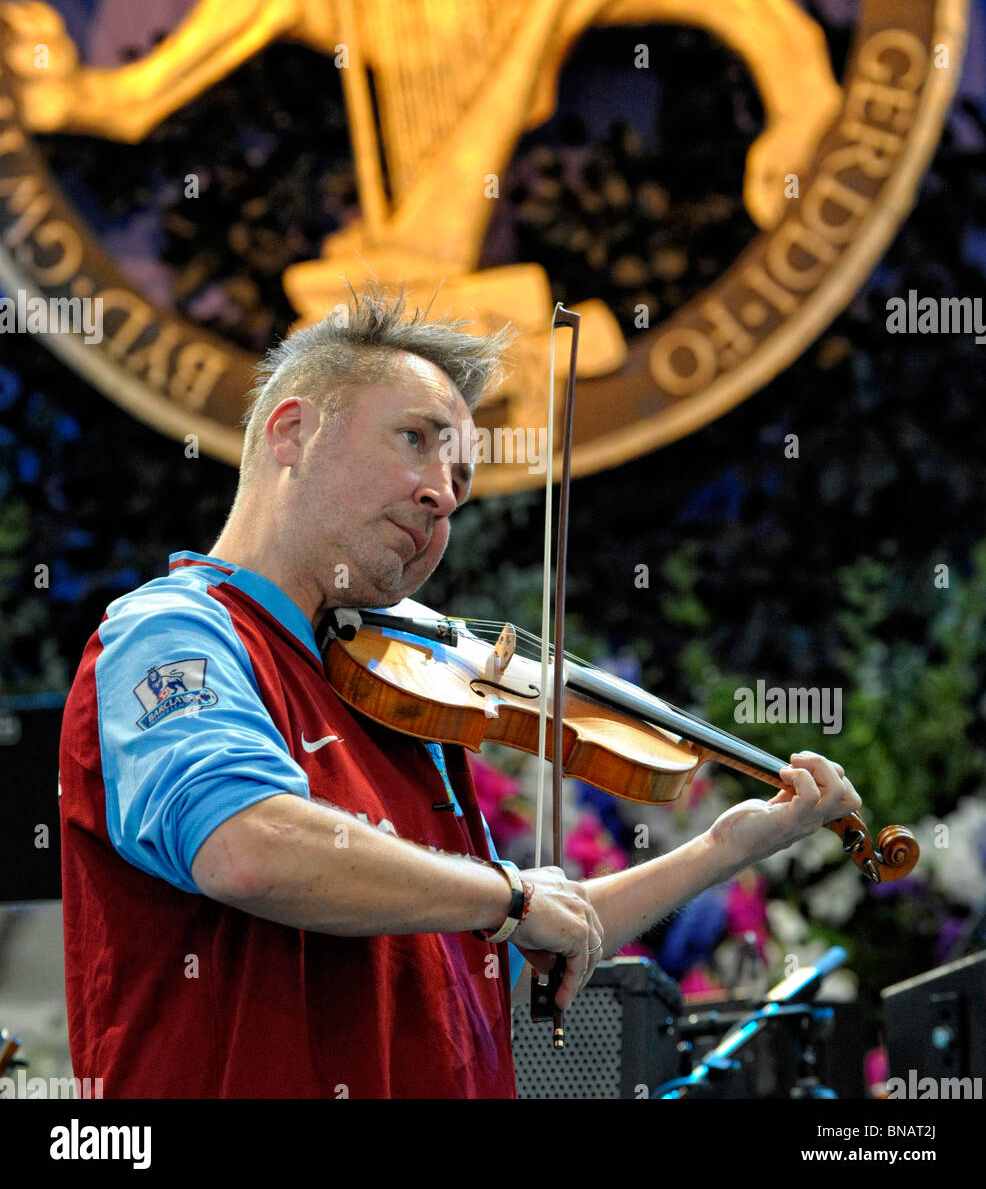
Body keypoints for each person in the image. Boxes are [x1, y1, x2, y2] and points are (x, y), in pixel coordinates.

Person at [59, 289, 862, 1098]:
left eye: (461, 479)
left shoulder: (400, 690)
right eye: (416, 440)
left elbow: (492, 955)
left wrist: (724, 851)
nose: (443, 493)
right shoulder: (174, 633)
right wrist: (509, 897)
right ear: (292, 433)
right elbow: (245, 846)